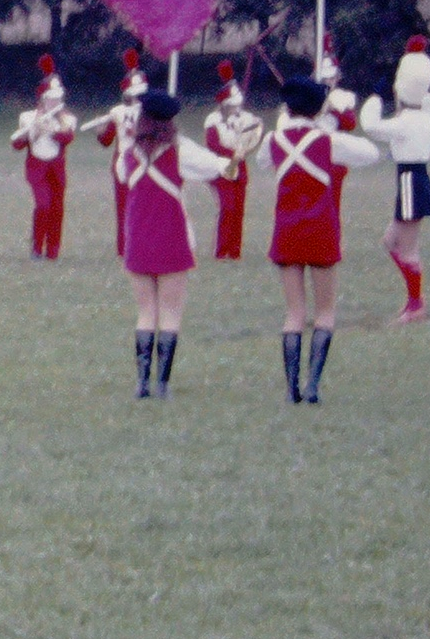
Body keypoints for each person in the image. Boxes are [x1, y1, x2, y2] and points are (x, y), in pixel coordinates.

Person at [265, 76, 384, 403]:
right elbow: (371, 153)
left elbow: (264, 161)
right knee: (325, 311)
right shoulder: (329, 141)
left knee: (293, 314)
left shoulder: (273, 139)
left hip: (286, 229)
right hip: (321, 228)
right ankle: (313, 386)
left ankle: (291, 389)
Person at [118, 92, 238, 399]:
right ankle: (162, 384)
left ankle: (142, 382)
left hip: (138, 237)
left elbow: (121, 175)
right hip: (172, 236)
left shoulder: (129, 151)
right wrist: (235, 157)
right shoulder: (181, 151)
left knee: (146, 312)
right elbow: (217, 167)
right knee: (170, 313)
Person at [359, 36, 430, 321]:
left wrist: (375, 97)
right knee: (390, 242)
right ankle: (414, 300)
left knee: (406, 248)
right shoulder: (426, 115)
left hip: (409, 181)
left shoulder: (406, 122)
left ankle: (416, 304)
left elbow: (370, 125)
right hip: (413, 180)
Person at [82, 49, 150, 265]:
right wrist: (100, 131)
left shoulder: (149, 111)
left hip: (145, 161)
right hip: (123, 161)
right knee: (124, 206)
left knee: (145, 206)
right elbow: (107, 141)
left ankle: (144, 245)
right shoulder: (117, 112)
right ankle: (125, 248)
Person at [10, 56, 76, 260]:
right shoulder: (27, 117)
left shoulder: (68, 118)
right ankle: (37, 248)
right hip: (36, 168)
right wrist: (34, 132)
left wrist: (53, 130)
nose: (55, 102)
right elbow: (17, 145)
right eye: (51, 99)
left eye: (58, 99)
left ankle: (53, 250)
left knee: (57, 209)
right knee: (43, 205)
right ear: (42, 99)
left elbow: (67, 138)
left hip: (57, 169)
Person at [201, 61, 262, 262]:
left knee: (238, 209)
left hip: (239, 165)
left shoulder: (243, 118)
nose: (238, 108)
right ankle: (221, 251)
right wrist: (232, 153)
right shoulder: (213, 120)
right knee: (227, 207)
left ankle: (235, 251)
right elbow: (212, 144)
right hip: (221, 167)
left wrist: (250, 139)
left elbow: (250, 136)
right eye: (234, 105)